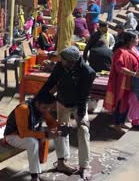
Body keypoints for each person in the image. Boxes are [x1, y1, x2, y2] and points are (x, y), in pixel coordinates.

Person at [38, 46, 96, 179]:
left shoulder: (88, 72)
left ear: (72, 61)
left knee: (84, 130)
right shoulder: (60, 66)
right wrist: (41, 97)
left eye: (63, 60)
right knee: (61, 130)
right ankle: (61, 162)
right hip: (62, 101)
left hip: (79, 104)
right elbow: (50, 82)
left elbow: (84, 95)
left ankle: (84, 166)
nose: (60, 61)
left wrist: (81, 117)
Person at [4, 93, 59, 181]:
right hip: (12, 136)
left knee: (54, 134)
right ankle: (35, 176)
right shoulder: (23, 108)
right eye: (45, 107)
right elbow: (23, 133)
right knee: (32, 143)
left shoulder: (41, 108)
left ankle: (61, 161)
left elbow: (51, 122)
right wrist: (46, 135)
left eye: (49, 108)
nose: (47, 110)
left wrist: (60, 126)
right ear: (37, 103)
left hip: (28, 134)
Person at [104, 32, 139, 133]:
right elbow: (119, 68)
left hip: (131, 82)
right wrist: (134, 74)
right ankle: (116, 124)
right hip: (121, 83)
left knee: (127, 103)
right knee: (119, 103)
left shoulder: (133, 50)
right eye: (137, 38)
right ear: (130, 40)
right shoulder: (121, 52)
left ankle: (122, 122)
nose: (138, 40)